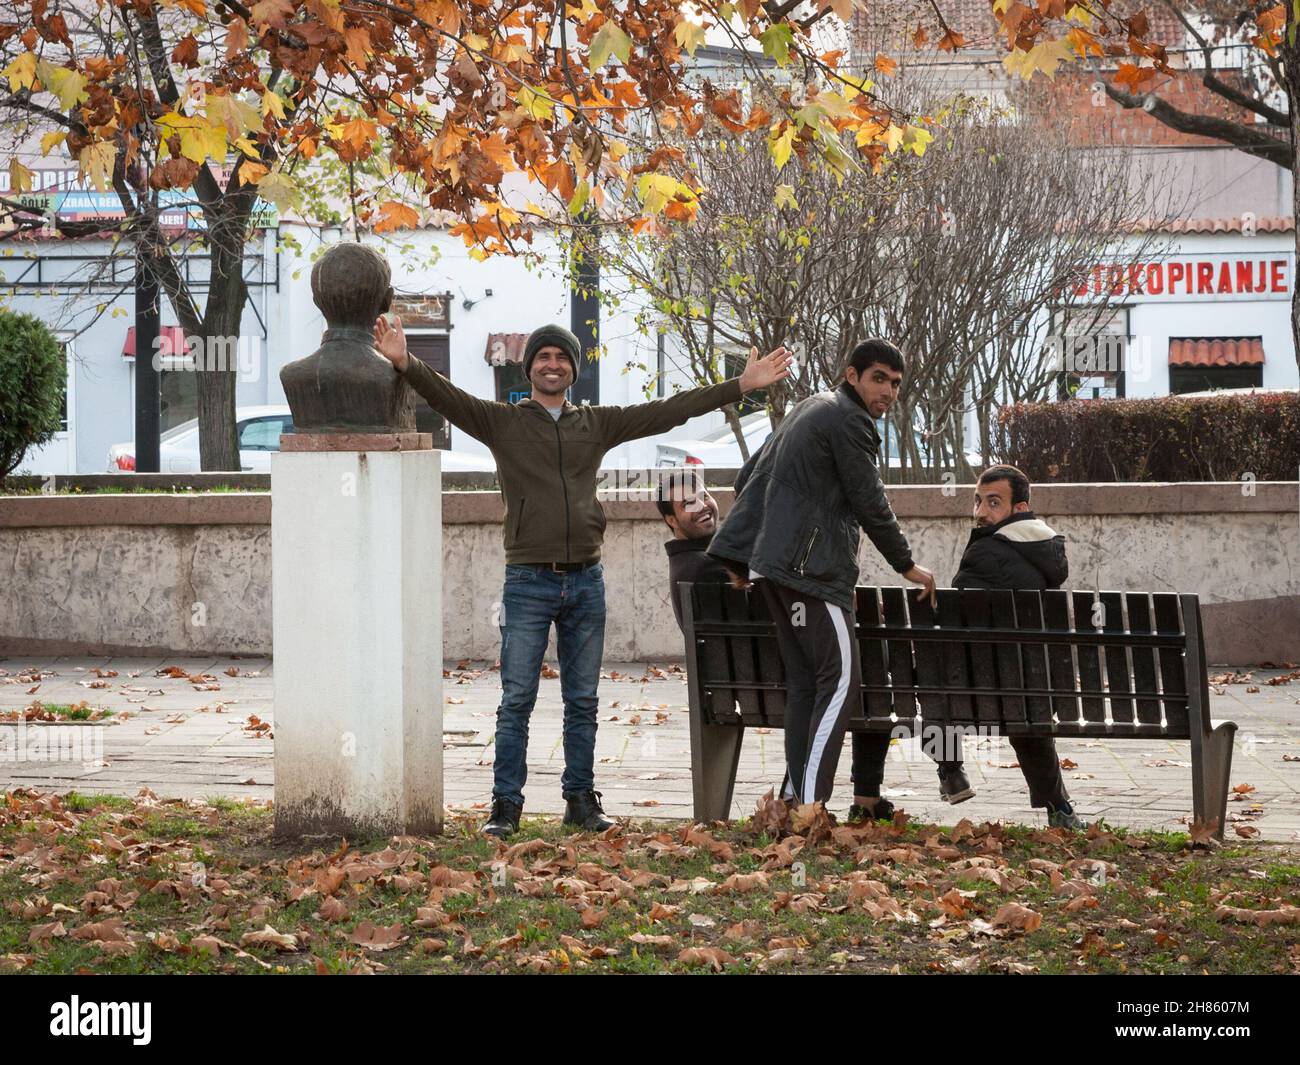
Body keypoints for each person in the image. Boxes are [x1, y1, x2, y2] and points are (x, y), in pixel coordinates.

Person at [373, 314, 791, 837]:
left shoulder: (596, 424)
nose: (553, 364)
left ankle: (580, 799)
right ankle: (505, 807)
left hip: (586, 581)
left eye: (562, 357)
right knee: (517, 699)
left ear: (573, 370)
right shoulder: (503, 422)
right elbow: (447, 397)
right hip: (527, 581)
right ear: (530, 369)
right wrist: (405, 362)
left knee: (584, 701)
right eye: (544, 357)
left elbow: (664, 412)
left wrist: (740, 385)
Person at [707, 338, 955, 821]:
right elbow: (870, 500)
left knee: (806, 685)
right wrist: (906, 564)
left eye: (896, 384)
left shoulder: (808, 408)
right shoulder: (848, 418)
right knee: (841, 682)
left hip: (774, 569)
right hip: (808, 571)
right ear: (852, 376)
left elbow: (745, 479)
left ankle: (793, 798)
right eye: (879, 378)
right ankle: (808, 805)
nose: (887, 392)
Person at [953, 464, 1086, 830]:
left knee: (923, 674)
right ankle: (1059, 807)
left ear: (1020, 509)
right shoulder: (1048, 554)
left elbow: (955, 614)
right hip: (1034, 688)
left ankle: (949, 771)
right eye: (978, 501)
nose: (981, 512)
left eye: (993, 503)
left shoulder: (985, 553)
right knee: (1025, 708)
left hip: (975, 685)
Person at [657, 468, 730, 629]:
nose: (702, 506)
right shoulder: (706, 567)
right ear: (672, 521)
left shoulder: (684, 560)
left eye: (703, 496)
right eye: (689, 503)